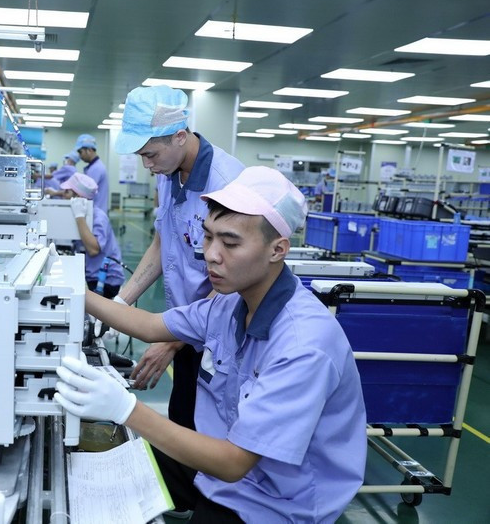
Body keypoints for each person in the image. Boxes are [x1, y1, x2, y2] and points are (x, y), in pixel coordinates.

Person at [55, 166, 367, 522]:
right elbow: (151, 326)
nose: (211, 255)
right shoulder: (231, 302)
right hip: (221, 466)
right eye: (207, 237)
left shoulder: (303, 346)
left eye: (230, 243)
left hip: (274, 501)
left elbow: (234, 463)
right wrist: (77, 292)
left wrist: (125, 408)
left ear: (277, 249)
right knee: (113, 469)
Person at [110, 85, 245, 431]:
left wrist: (170, 340)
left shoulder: (227, 185)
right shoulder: (168, 174)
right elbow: (162, 243)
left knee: (209, 432)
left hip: (218, 338)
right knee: (182, 417)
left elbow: (236, 280)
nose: (147, 165)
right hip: (185, 327)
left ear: (180, 137)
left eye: (151, 154)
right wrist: (119, 305)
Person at [61, 172, 125, 298]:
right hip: (94, 275)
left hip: (106, 280)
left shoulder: (98, 217)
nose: (63, 195)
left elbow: (93, 250)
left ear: (78, 197)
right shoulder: (84, 214)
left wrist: (79, 217)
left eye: (67, 192)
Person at [75, 134, 109, 212]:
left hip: (96, 212)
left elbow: (85, 193)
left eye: (80, 152)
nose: (80, 156)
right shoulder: (94, 167)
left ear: (89, 150)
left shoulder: (96, 169)